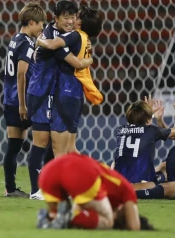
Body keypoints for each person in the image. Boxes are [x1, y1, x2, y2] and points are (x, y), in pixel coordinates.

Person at [36, 5, 103, 155]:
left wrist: (39, 40)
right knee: (71, 150)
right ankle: (93, 176)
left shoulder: (75, 36)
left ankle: (64, 178)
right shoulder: (85, 40)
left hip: (66, 92)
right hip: (76, 93)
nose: (72, 20)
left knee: (59, 151)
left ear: (80, 23)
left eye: (76, 17)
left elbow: (53, 45)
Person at [2, 1, 46, 198]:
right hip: (23, 101)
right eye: (40, 24)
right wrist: (23, 104)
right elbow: (21, 73)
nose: (42, 28)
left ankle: (11, 189)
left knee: (14, 146)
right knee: (46, 141)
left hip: (10, 98)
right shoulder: (26, 43)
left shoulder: (15, 39)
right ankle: (39, 187)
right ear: (31, 22)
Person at [37, 153, 148, 230]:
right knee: (108, 222)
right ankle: (68, 217)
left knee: (62, 214)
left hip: (47, 172)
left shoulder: (104, 187)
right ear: (121, 208)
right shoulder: (127, 190)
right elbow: (134, 227)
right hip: (82, 173)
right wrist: (115, 219)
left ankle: (51, 217)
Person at [112, 94, 175, 184]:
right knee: (172, 184)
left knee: (115, 162)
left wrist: (146, 114)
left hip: (121, 182)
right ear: (147, 120)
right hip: (144, 183)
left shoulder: (121, 130)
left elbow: (140, 126)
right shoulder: (151, 130)